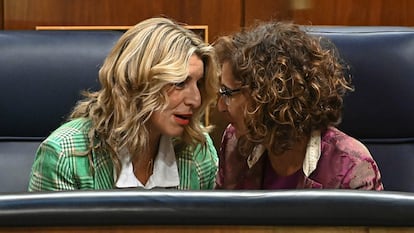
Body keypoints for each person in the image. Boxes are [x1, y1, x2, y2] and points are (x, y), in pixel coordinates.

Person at [28, 17, 220, 191]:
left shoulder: (198, 150)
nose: (195, 100)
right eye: (179, 83)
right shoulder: (65, 156)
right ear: (137, 82)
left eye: (199, 83)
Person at [213, 20, 384, 190]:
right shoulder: (235, 144)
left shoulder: (352, 168)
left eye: (228, 93)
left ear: (268, 96)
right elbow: (221, 215)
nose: (220, 106)